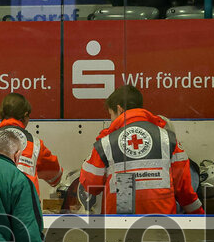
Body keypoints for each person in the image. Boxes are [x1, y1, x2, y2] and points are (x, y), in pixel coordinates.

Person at [80, 85, 204, 215]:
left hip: (120, 224)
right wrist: (200, 218)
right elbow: (184, 190)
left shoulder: (107, 142)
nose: (111, 121)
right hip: (162, 221)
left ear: (119, 109)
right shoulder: (168, 138)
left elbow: (90, 183)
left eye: (111, 114)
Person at [0, 93, 64, 198]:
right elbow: (55, 176)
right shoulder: (35, 145)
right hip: (26, 209)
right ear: (25, 116)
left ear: (2, 115)